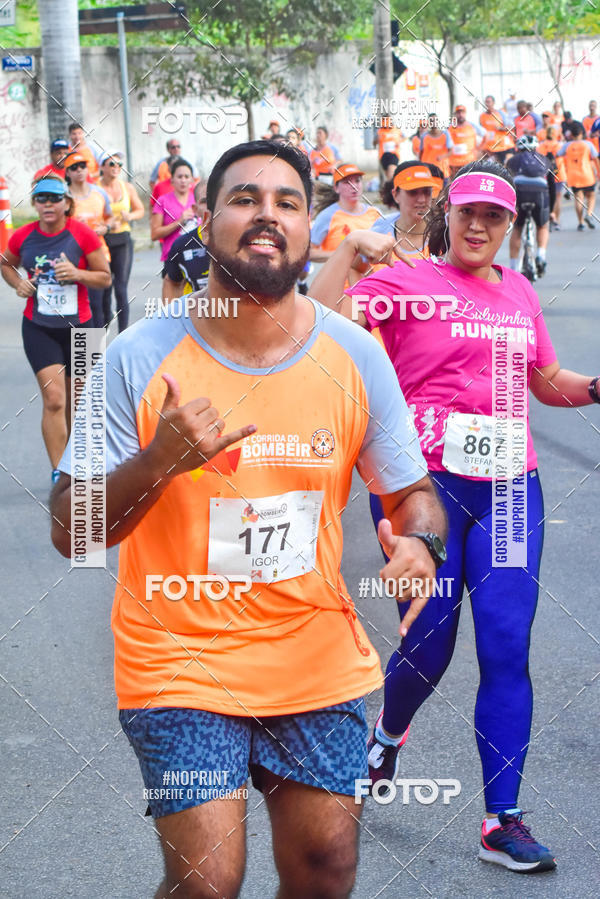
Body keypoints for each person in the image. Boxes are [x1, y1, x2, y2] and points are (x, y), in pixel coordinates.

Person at [49, 139, 447, 899]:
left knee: (326, 870)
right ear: (203, 220)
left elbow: (412, 492)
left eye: (287, 202)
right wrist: (159, 459)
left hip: (314, 658)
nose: (267, 215)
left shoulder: (355, 355)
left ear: (311, 230)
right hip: (180, 663)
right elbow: (73, 527)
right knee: (207, 879)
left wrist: (421, 543)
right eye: (244, 198)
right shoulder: (138, 356)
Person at [311, 158, 600, 874]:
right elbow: (314, 324)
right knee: (431, 644)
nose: (479, 225)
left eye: (494, 217)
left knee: (506, 643)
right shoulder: (407, 281)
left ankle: (502, 819)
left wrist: (594, 387)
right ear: (449, 216)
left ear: (510, 225)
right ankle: (388, 731)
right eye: (467, 212)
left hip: (509, 489)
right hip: (426, 488)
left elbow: (543, 381)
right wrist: (348, 253)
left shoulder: (520, 292)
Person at [0, 176, 110, 482]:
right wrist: (18, 283)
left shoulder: (83, 235)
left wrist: (77, 273)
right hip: (40, 326)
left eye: (54, 199)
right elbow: (6, 263)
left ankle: (79, 462)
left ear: (66, 204)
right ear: (34, 204)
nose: (47, 204)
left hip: (84, 327)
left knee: (80, 402)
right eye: (41, 199)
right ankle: (61, 473)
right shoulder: (23, 236)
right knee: (54, 399)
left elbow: (105, 277)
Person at [63, 152, 113, 327]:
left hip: (99, 254)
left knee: (101, 304)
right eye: (74, 168)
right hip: (74, 257)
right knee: (87, 305)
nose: (79, 171)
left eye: (82, 166)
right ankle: (89, 350)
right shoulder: (63, 197)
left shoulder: (99, 193)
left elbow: (110, 218)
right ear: (67, 172)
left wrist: (105, 228)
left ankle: (95, 347)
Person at [98, 151, 145, 332]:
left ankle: (123, 332)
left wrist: (130, 215)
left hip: (122, 239)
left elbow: (140, 210)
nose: (116, 168)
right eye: (112, 164)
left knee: (120, 288)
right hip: (101, 242)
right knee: (104, 287)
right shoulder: (95, 188)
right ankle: (104, 322)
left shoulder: (127, 188)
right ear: (102, 167)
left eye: (119, 165)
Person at [370, 160, 443, 262]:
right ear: (396, 195)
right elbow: (356, 267)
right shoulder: (380, 230)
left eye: (427, 192)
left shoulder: (443, 236)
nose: (422, 200)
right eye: (413, 192)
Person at [309, 163, 380, 263]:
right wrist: (344, 254)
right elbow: (309, 253)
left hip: (373, 277)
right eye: (347, 182)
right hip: (342, 278)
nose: (354, 187)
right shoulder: (327, 216)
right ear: (336, 188)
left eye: (357, 181)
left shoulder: (375, 213)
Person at [506, 134, 555, 276]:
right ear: (535, 147)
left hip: (519, 194)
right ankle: (541, 255)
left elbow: (507, 183)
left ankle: (514, 268)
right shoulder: (545, 159)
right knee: (542, 226)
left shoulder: (513, 160)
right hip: (540, 195)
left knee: (517, 229)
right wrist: (550, 210)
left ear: (518, 148)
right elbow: (551, 186)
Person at [162, 180, 209, 300]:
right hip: (194, 315)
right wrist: (171, 317)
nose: (210, 206)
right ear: (195, 209)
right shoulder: (182, 245)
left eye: (215, 199)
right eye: (205, 201)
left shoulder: (241, 242)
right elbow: (171, 282)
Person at [150, 157, 195, 263]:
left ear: (192, 180)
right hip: (173, 256)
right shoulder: (163, 201)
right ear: (172, 180)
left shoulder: (197, 200)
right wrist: (179, 222)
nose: (183, 180)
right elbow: (154, 234)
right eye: (179, 177)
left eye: (186, 176)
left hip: (195, 256)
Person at [556, 122, 600, 230]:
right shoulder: (588, 144)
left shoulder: (567, 145)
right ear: (581, 132)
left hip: (573, 175)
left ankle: (580, 223)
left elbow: (558, 155)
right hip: (587, 175)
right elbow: (596, 158)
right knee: (591, 195)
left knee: (578, 199)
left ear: (572, 134)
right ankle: (589, 214)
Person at [448, 106, 484, 177]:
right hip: (454, 163)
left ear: (465, 113)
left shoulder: (472, 126)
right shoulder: (450, 127)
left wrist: (479, 149)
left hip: (469, 162)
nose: (460, 115)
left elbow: (486, 135)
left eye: (462, 112)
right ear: (455, 114)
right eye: (458, 113)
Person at [479, 95, 514, 163]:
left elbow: (511, 127)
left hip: (502, 146)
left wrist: (501, 128)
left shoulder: (500, 113)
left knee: (505, 167)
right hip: (490, 148)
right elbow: (482, 133)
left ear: (493, 103)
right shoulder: (482, 116)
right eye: (486, 102)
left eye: (489, 102)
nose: (487, 104)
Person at [374, 117, 404, 181]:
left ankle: (393, 188)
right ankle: (391, 188)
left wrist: (399, 141)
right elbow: (374, 143)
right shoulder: (380, 131)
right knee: (388, 176)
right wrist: (377, 139)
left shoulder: (396, 130)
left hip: (394, 154)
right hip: (383, 155)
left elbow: (404, 137)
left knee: (391, 173)